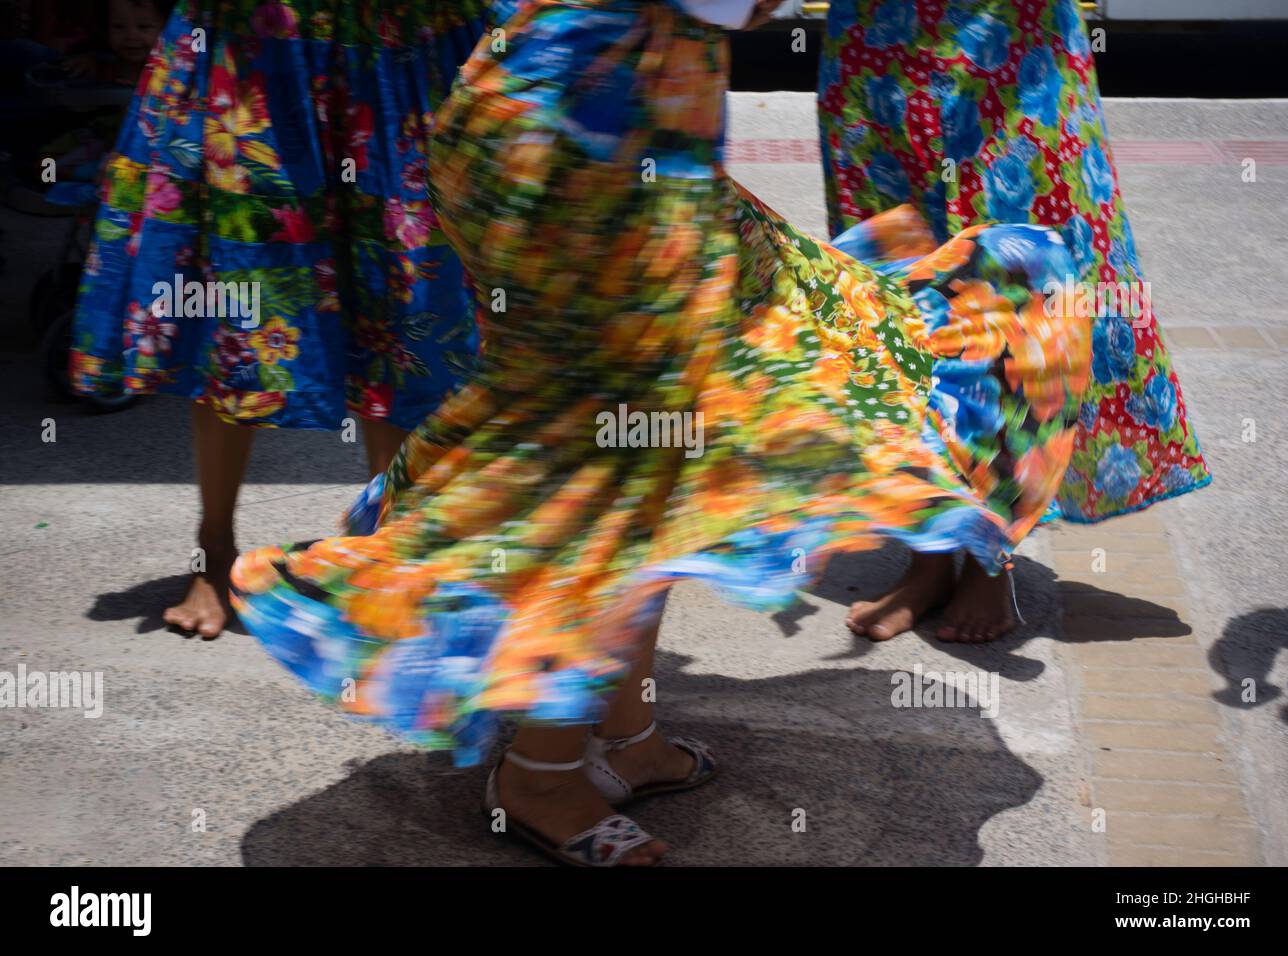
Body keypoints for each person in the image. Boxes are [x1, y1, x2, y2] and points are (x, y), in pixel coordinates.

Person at [232, 0, 1091, 866]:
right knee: (616, 453)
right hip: (598, 135)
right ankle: (542, 773)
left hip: (572, 109)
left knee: (665, 435)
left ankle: (623, 731)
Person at [71, 0, 487, 637]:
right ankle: (213, 548)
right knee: (237, 312)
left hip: (400, 49)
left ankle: (388, 554)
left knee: (404, 311)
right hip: (258, 59)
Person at [818, 0, 1210, 643]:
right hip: (878, 38)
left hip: (1012, 44)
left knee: (1011, 275)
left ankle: (987, 556)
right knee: (900, 285)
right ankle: (932, 551)